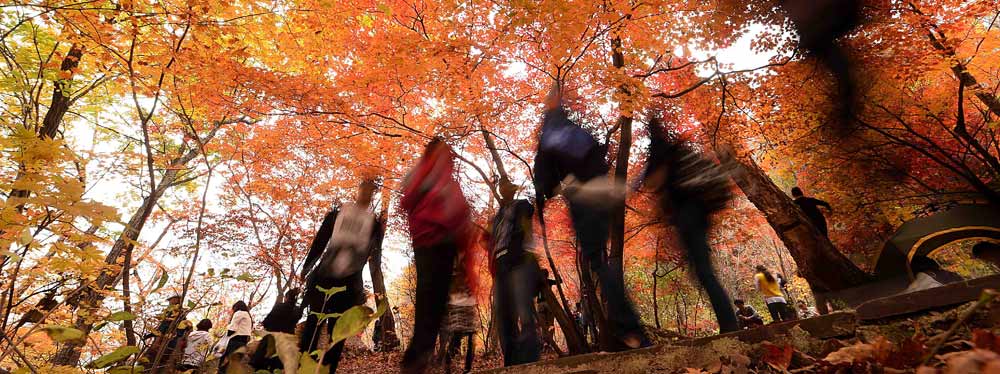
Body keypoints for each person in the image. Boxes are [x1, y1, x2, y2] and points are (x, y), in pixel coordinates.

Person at [534, 85, 649, 350]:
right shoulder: (575, 129)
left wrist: (549, 193)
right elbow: (599, 156)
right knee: (601, 262)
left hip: (585, 200)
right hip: (602, 194)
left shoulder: (550, 133)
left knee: (598, 262)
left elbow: (545, 177)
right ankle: (628, 330)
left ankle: (629, 330)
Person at [637, 113, 740, 333]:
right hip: (701, 213)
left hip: (687, 215)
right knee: (703, 270)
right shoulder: (680, 150)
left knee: (703, 271)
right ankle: (729, 323)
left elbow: (651, 182)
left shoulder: (660, 152)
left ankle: (730, 325)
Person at [400, 138, 474, 374]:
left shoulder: (427, 176)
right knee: (431, 299)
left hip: (433, 243)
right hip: (434, 242)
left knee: (433, 300)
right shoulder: (429, 176)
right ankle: (417, 357)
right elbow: (456, 211)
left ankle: (420, 356)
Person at [299, 179, 383, 373]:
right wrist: (307, 267)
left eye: (371, 191)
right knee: (313, 324)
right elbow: (320, 241)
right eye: (364, 189)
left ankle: (328, 370)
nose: (366, 194)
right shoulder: (337, 215)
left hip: (348, 284)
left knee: (337, 332)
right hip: (324, 277)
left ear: (373, 195)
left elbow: (373, 255)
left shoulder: (373, 224)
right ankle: (304, 366)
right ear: (358, 190)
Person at [488, 179, 543, 366]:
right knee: (504, 314)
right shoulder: (497, 217)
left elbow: (526, 224)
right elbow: (491, 240)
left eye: (507, 187)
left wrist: (525, 253)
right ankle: (512, 362)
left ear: (512, 190)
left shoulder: (522, 205)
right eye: (501, 187)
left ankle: (530, 359)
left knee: (523, 308)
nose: (504, 190)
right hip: (500, 264)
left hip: (519, 260)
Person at [252, 288, 302, 373]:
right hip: (286, 341)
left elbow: (268, 320)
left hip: (272, 338)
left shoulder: (279, 306)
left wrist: (264, 324)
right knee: (277, 367)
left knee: (261, 364)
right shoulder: (297, 310)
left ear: (286, 297)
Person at [145, 295, 188, 373]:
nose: (169, 302)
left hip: (163, 343)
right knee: (160, 364)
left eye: (171, 300)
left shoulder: (174, 312)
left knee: (150, 362)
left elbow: (164, 327)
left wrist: (157, 341)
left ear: (176, 300)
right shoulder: (182, 314)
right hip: (171, 345)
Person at [219, 301, 252, 373]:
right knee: (234, 364)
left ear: (236, 307)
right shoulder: (248, 316)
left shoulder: (239, 313)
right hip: (243, 343)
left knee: (225, 363)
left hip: (235, 341)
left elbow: (232, 328)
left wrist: (225, 335)